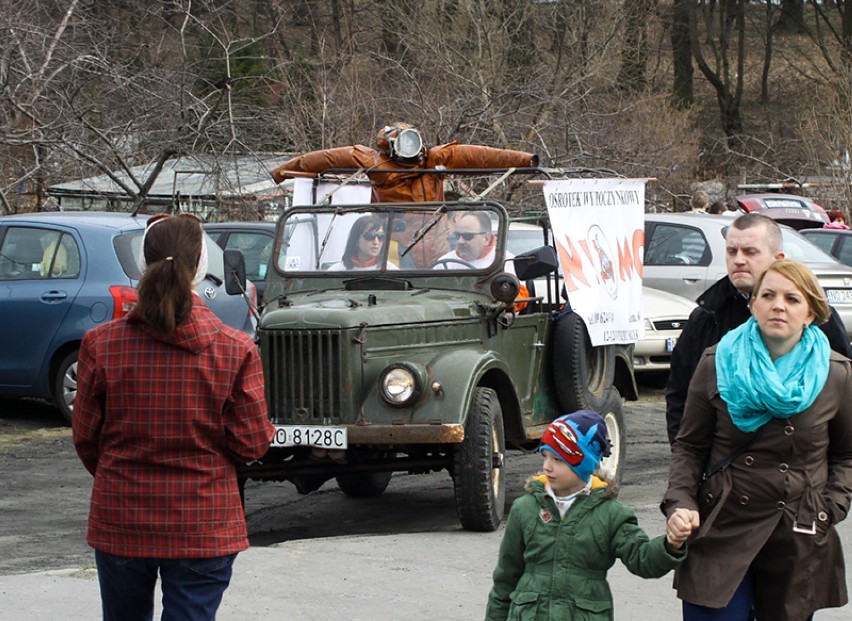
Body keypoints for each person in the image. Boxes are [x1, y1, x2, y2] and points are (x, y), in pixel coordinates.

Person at [72, 213, 275, 621]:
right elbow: (252, 443)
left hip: (121, 516)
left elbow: (86, 438)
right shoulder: (236, 350)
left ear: (143, 264)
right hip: (204, 521)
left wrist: (121, 473)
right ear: (202, 265)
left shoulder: (101, 344)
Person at [662, 259, 852, 620]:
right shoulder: (717, 361)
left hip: (797, 533)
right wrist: (680, 503)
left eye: (792, 299)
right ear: (754, 305)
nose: (778, 305)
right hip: (722, 526)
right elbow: (689, 447)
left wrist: (828, 509)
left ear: (810, 313)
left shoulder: (836, 374)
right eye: (768, 295)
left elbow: (846, 455)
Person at [485, 410, 693, 621]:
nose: (547, 466)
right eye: (545, 456)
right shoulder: (525, 508)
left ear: (583, 463)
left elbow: (642, 559)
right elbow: (505, 579)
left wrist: (671, 544)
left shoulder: (611, 514)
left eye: (558, 459)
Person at [665, 212, 852, 445]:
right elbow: (680, 394)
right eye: (732, 251)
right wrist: (686, 455)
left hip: (799, 467)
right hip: (726, 470)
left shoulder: (817, 320)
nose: (739, 260)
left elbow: (841, 397)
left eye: (750, 252)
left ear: (779, 258)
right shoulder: (706, 315)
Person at [270, 122, 538, 267]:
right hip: (396, 242)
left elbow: (480, 156)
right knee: (398, 279)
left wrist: (525, 160)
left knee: (443, 278)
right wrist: (283, 171)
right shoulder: (375, 163)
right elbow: (324, 159)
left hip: (435, 239)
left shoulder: (435, 159)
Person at [327, 214, 396, 270]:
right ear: (356, 240)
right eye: (370, 236)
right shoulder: (336, 271)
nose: (376, 242)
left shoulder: (391, 271)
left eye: (381, 237)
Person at [434, 211, 501, 269]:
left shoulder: (505, 263)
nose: (460, 241)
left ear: (487, 239)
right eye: (457, 236)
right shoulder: (444, 265)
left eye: (467, 236)